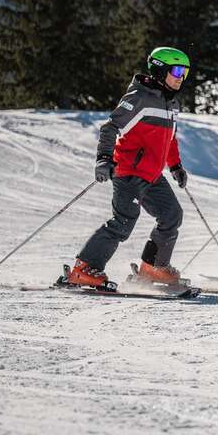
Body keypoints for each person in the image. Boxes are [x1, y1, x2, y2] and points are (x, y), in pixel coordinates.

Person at [65, 47, 190, 288]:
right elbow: (110, 128)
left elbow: (170, 138)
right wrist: (103, 158)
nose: (180, 76)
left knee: (171, 214)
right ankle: (83, 268)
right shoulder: (139, 97)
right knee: (124, 221)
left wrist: (175, 166)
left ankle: (153, 266)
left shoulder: (171, 103)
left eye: (185, 71)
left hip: (152, 175)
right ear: (159, 69)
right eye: (176, 70)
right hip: (130, 172)